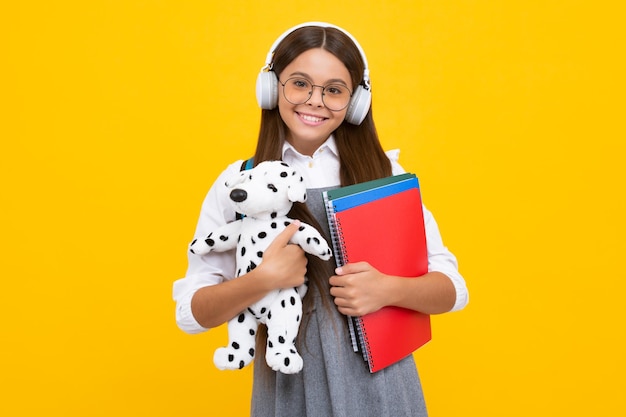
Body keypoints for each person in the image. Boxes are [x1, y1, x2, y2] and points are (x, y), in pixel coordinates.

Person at [173, 22, 469, 417]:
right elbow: (192, 315)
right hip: (287, 386)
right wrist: (262, 279)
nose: (315, 101)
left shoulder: (384, 177)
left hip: (383, 388)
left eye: (333, 90)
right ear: (272, 88)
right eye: (299, 83)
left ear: (355, 102)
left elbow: (452, 290)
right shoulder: (238, 184)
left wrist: (387, 289)